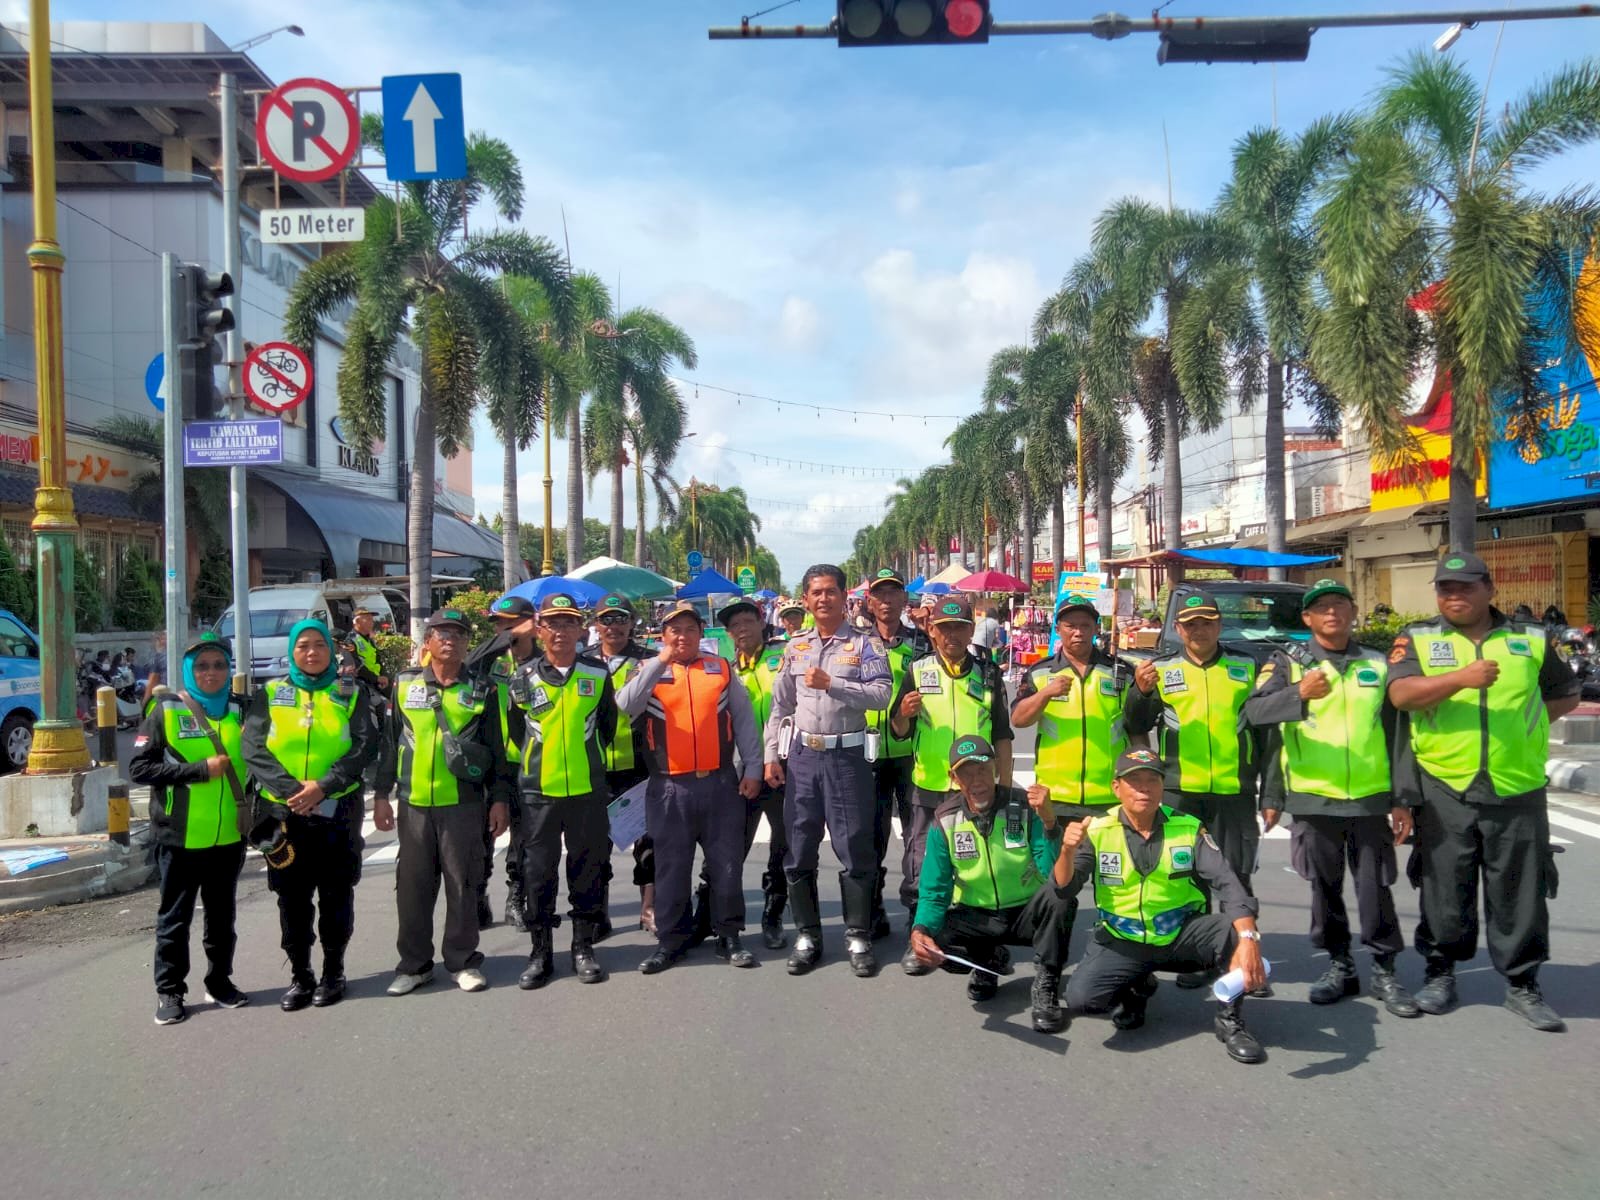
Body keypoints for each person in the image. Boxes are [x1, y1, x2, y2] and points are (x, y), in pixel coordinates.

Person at [1387, 552, 1579, 1031]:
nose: (1454, 596)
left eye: (1465, 587)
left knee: (1521, 891)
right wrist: (1459, 679)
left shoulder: (1531, 638)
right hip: (1443, 783)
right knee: (1444, 888)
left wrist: (1526, 729)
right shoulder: (1418, 637)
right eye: (1445, 588)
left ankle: (1522, 985)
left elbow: (1566, 692)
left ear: (1489, 589)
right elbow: (1401, 695)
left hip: (1517, 785)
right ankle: (1441, 973)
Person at [1243, 579, 1420, 1017]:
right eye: (1321, 607)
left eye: (1340, 604)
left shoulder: (1378, 664)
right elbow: (1255, 715)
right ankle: (1340, 965)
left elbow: (1398, 735)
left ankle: (1384, 969)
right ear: (1307, 618)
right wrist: (1298, 694)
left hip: (1369, 799)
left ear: (1353, 611)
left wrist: (1402, 798)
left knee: (1374, 888)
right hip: (1312, 799)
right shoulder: (1288, 663)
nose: (1331, 613)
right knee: (1325, 890)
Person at [1061, 748, 1269, 1064]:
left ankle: (1231, 1020)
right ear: (1117, 787)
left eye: (1152, 780)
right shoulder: (1097, 829)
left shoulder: (1188, 826)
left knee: (1232, 930)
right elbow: (1064, 888)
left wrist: (1249, 938)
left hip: (1179, 936)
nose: (1143, 788)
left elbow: (1227, 882)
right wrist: (1066, 851)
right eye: (1134, 781)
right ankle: (1136, 987)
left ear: (1162, 786)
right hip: (1122, 940)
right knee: (1081, 1000)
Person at [1124, 589, 1262, 990]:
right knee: (1190, 877)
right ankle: (1202, 956)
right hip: (1180, 790)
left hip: (1234, 791)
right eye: (1190, 624)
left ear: (1219, 624)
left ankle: (1242, 957)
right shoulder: (1161, 668)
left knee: (1235, 875)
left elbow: (1266, 729)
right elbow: (1136, 723)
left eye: (1207, 622)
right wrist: (1141, 691)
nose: (1199, 629)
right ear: (1179, 629)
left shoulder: (1246, 666)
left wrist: (1270, 792)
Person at [241, 619, 379, 1012]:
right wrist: (293, 792)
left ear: (331, 651)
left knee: (337, 892)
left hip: (338, 809)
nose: (312, 652)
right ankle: (301, 976)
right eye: (303, 646)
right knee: (291, 896)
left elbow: (364, 747)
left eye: (320, 644)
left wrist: (323, 787)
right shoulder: (270, 692)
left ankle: (333, 972)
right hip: (283, 813)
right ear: (292, 652)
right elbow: (253, 748)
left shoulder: (351, 692)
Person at [618, 601, 764, 972]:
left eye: (690, 629)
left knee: (726, 865)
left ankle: (729, 935)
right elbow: (624, 707)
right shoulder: (648, 671)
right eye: (674, 630)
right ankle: (671, 941)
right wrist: (659, 661)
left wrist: (753, 769)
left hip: (719, 785)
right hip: (669, 787)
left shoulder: (720, 669)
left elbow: (744, 721)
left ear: (702, 634)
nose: (682, 636)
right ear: (663, 635)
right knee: (671, 867)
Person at [373, 609, 512, 997]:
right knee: (413, 887)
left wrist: (499, 799)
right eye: (441, 633)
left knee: (463, 883)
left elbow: (496, 751)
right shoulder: (403, 684)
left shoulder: (482, 689)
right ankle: (414, 965)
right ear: (428, 642)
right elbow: (388, 744)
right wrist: (381, 796)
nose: (449, 639)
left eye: (458, 633)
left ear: (468, 643)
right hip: (413, 803)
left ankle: (463, 961)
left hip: (463, 803)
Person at [764, 565, 893, 977]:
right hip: (803, 757)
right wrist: (771, 755)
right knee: (798, 847)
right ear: (805, 599)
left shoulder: (866, 645)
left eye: (831, 592)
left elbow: (882, 695)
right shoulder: (795, 648)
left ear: (844, 597)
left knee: (855, 846)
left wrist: (832, 684)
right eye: (816, 592)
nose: (823, 599)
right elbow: (780, 707)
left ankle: (858, 935)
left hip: (847, 757)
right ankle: (808, 935)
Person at [908, 736, 1075, 1034]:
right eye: (967, 772)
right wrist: (920, 930)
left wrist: (1050, 824)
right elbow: (935, 889)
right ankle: (987, 961)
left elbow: (1052, 872)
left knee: (1061, 899)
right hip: (977, 914)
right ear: (953, 778)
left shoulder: (1024, 807)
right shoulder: (945, 821)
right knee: (935, 935)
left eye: (983, 769)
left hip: (1026, 911)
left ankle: (1047, 982)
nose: (978, 780)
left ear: (996, 769)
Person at [888, 595, 1012, 975]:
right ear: (932, 630)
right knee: (922, 864)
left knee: (979, 865)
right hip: (929, 787)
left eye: (959, 627)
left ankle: (982, 941)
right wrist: (904, 715)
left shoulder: (989, 674)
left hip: (976, 790)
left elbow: (1003, 736)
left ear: (971, 630)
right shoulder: (917, 670)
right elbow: (898, 729)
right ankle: (920, 938)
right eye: (944, 628)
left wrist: (1004, 788)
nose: (952, 635)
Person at [131, 634, 250, 1026]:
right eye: (202, 666)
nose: (211, 673)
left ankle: (219, 982)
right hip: (179, 838)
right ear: (188, 671)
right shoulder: (166, 710)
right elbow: (139, 769)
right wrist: (199, 771)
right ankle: (169, 991)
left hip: (228, 838)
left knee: (222, 918)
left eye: (219, 665)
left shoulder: (240, 710)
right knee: (174, 919)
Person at [505, 593, 617, 989]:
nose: (560, 631)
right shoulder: (521, 678)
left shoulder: (597, 674)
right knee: (539, 874)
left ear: (580, 630)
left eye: (568, 623)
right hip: (538, 793)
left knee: (587, 870)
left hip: (587, 791)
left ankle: (583, 948)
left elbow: (607, 726)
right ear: (539, 630)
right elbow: (515, 736)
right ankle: (540, 952)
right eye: (552, 623)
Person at [1010, 594, 1131, 814]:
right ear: (1058, 629)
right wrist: (1045, 694)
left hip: (1110, 796)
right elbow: (1018, 719)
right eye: (1071, 626)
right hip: (1055, 796)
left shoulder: (1120, 672)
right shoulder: (1040, 672)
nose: (1078, 632)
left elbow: (1137, 727)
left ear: (1096, 629)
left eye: (1085, 625)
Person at [861, 568, 930, 942]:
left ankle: (916, 914)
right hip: (866, 752)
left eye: (893, 594)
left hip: (911, 754)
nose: (886, 601)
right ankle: (871, 910)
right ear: (870, 602)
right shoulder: (855, 643)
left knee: (916, 836)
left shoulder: (922, 644)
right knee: (871, 836)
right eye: (880, 595)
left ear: (905, 600)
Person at [720, 597, 791, 949]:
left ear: (762, 623)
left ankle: (773, 913)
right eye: (734, 626)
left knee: (783, 844)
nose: (742, 629)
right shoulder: (724, 669)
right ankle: (718, 916)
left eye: (748, 621)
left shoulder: (784, 656)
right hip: (741, 771)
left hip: (783, 768)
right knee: (733, 846)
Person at [470, 593, 541, 931]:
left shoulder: (543, 660)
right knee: (483, 833)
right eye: (498, 624)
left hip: (527, 762)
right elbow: (466, 664)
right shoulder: (489, 661)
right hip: (488, 761)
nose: (503, 630)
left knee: (523, 837)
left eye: (509, 624)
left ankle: (517, 897)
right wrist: (502, 641)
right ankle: (479, 895)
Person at [591, 595, 655, 932]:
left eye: (620, 619)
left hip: (640, 764)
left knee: (649, 840)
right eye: (606, 619)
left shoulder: (650, 661)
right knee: (595, 844)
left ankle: (649, 908)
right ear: (595, 625)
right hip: (595, 766)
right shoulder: (582, 661)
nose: (613, 626)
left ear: (632, 623)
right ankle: (598, 912)